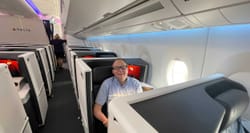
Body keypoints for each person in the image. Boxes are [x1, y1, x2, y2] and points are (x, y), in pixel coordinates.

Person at [94, 58, 143, 127]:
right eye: (117, 68)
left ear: (127, 69)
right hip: (114, 121)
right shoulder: (107, 84)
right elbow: (97, 110)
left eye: (123, 67)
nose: (120, 70)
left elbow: (140, 107)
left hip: (132, 120)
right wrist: (106, 121)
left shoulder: (136, 84)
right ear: (113, 71)